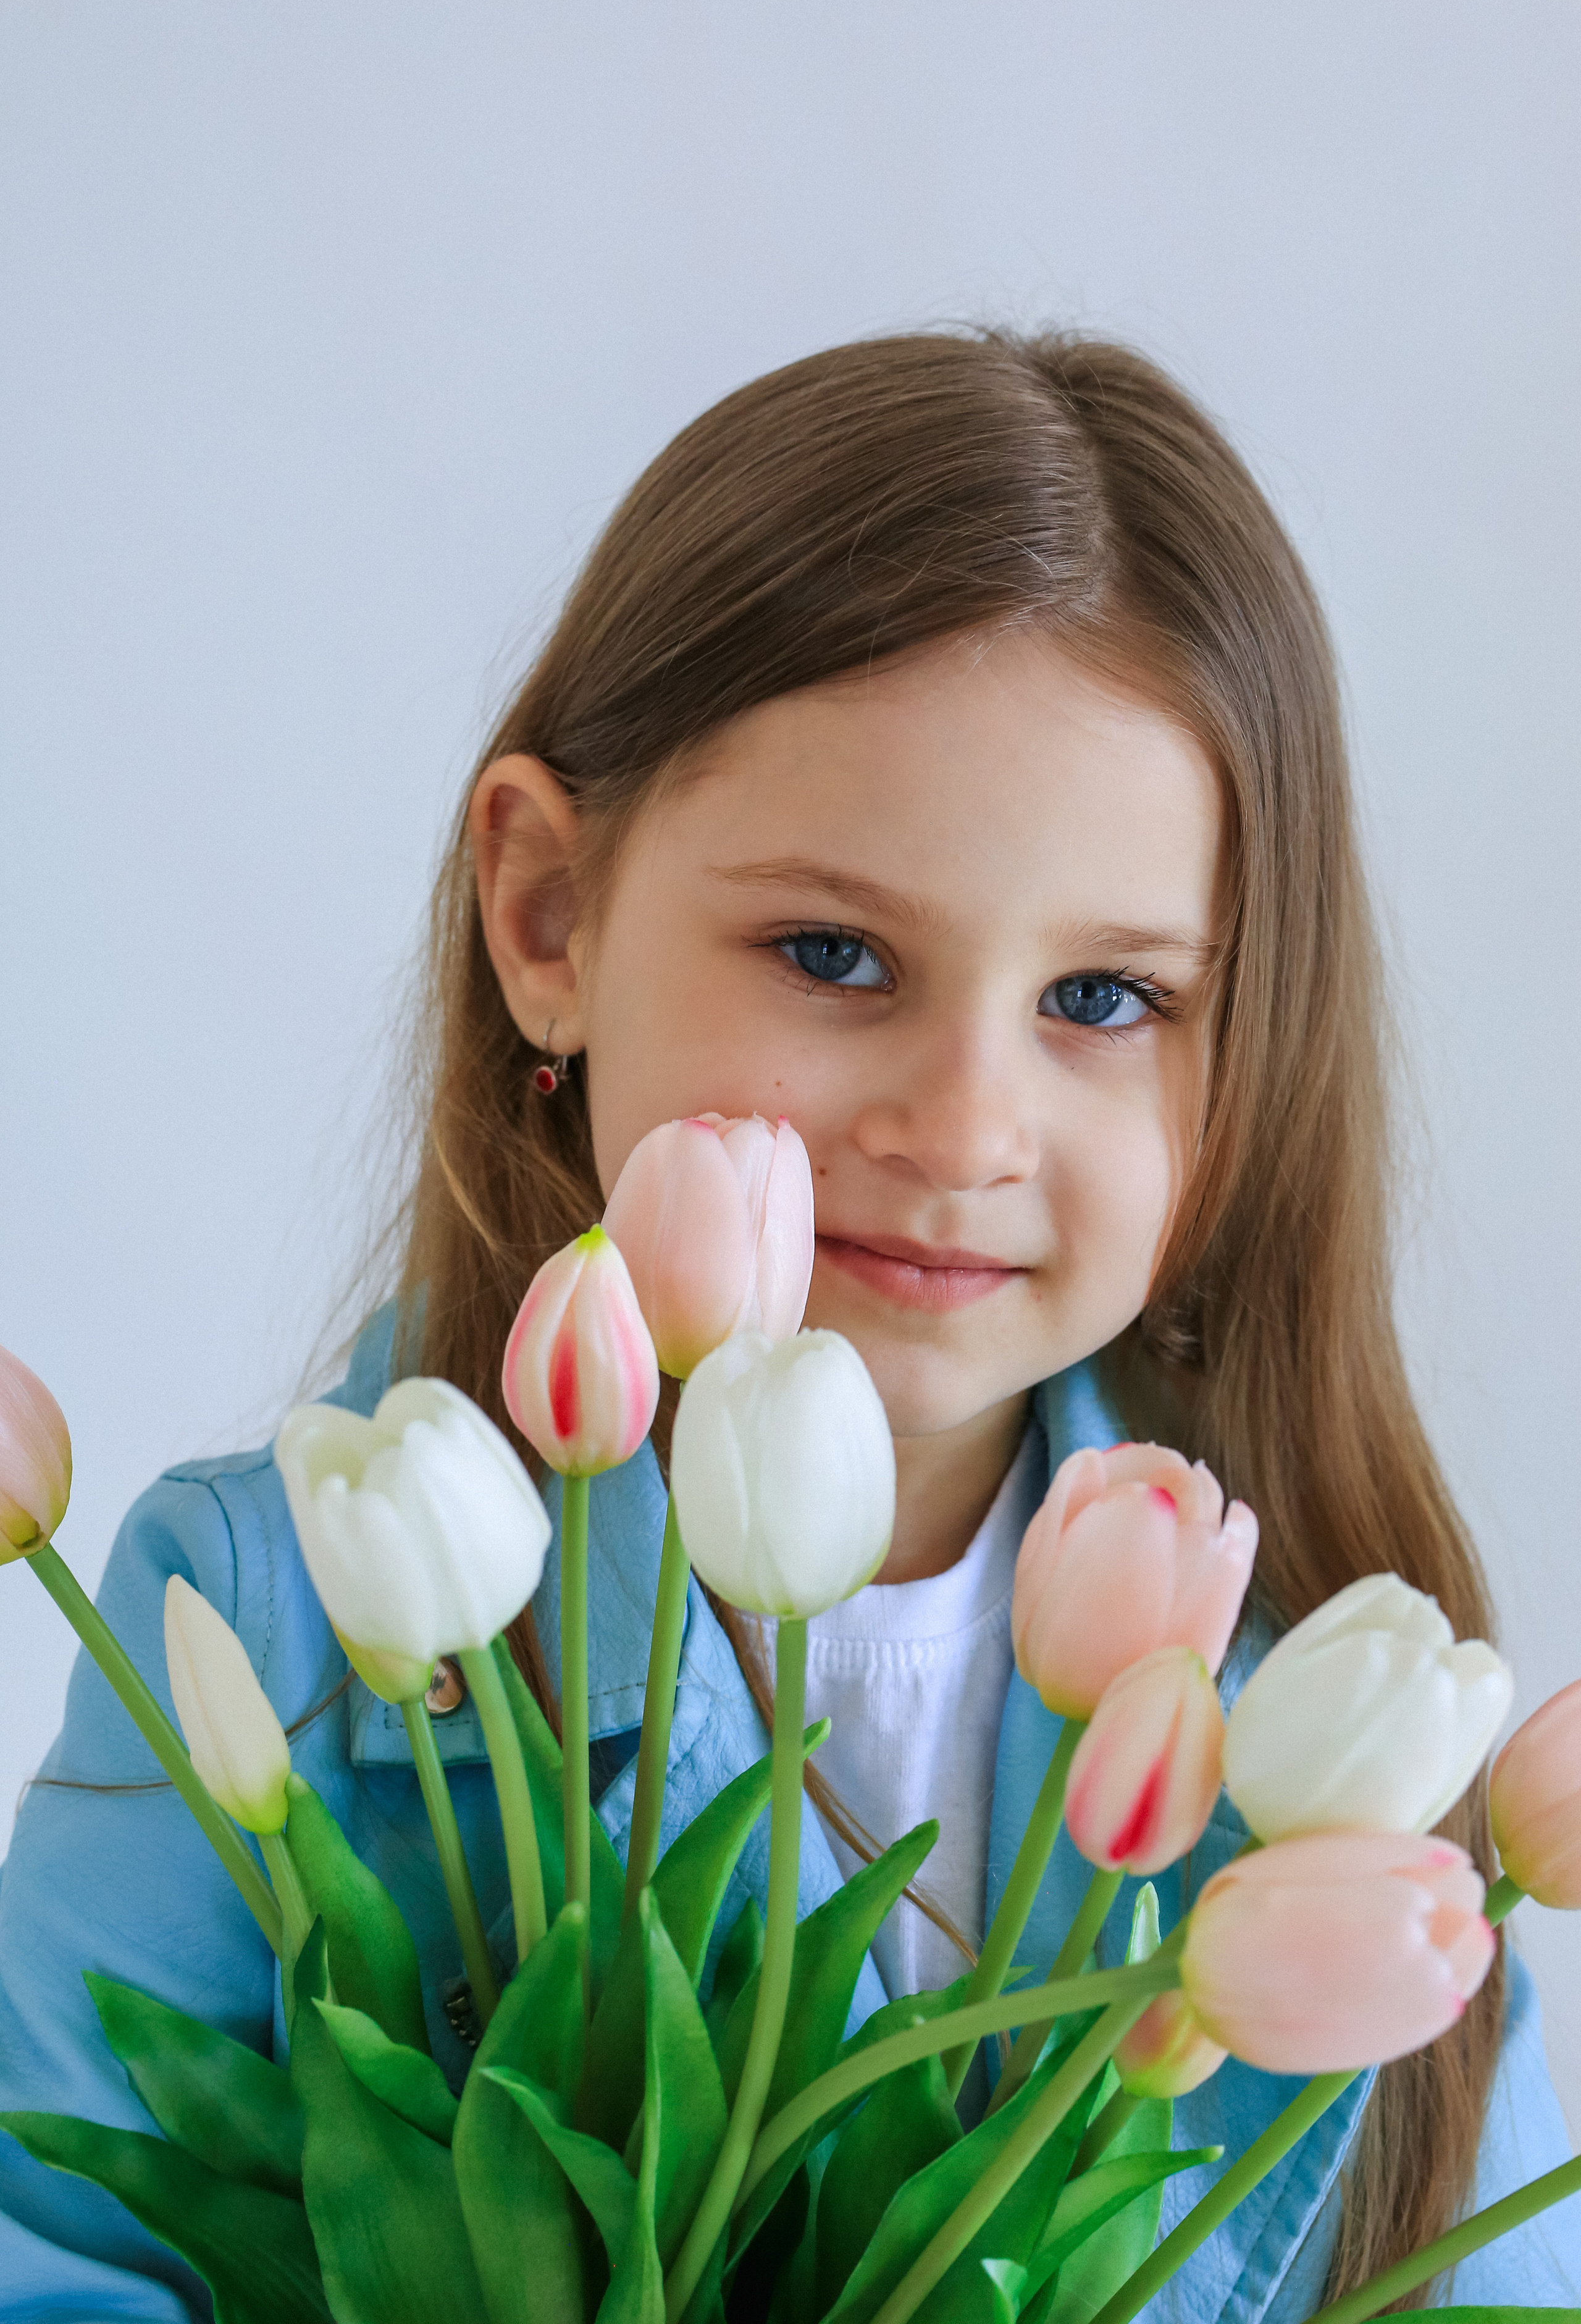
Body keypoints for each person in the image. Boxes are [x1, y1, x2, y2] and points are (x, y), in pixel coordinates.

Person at [1, 330, 1575, 2321]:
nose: (965, 1130)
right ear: (548, 920)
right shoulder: (285, 1621)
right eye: (835, 955)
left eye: (1105, 1000)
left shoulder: (1329, 1732)